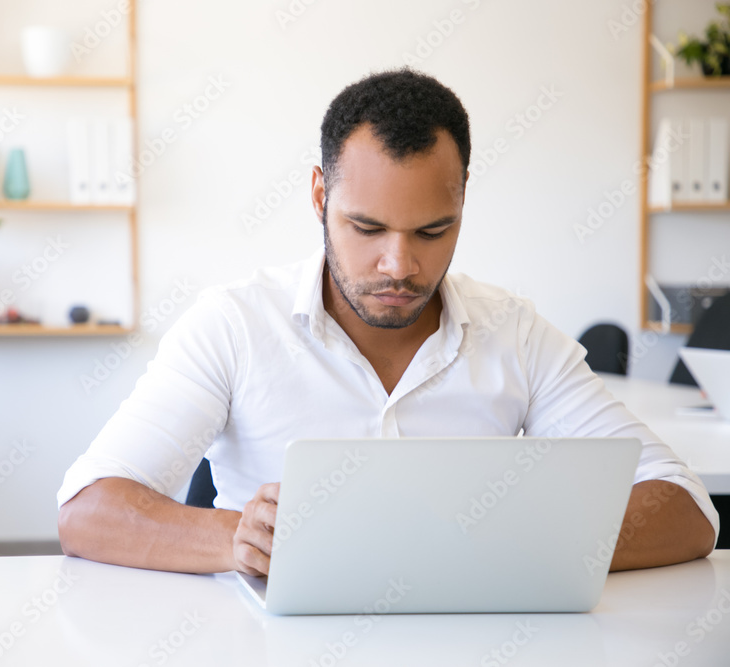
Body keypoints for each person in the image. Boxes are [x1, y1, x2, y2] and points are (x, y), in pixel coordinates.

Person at [56, 68, 718, 577]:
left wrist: (516, 543)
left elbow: (688, 511)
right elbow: (88, 510)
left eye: (433, 230)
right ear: (320, 195)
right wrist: (231, 536)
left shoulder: (513, 334)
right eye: (366, 227)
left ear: (462, 201)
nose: (399, 265)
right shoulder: (235, 324)